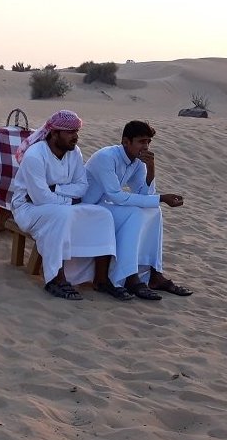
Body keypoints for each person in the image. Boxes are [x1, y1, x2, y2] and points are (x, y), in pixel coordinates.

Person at [12, 110, 132, 301]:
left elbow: (82, 186)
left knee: (103, 215)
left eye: (76, 131)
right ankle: (55, 278)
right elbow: (40, 198)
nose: (75, 137)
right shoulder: (35, 156)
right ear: (54, 133)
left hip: (60, 206)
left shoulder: (74, 152)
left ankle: (100, 279)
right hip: (27, 209)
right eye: (70, 132)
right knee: (61, 214)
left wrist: (57, 188)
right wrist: (69, 199)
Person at [82, 120, 193, 299]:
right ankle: (129, 276)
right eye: (142, 141)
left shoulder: (138, 161)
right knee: (134, 213)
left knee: (154, 212)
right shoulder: (106, 157)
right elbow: (116, 195)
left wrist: (151, 169)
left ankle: (155, 274)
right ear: (126, 141)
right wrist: (161, 198)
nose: (146, 146)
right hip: (87, 207)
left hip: (105, 206)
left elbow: (144, 194)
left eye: (148, 142)